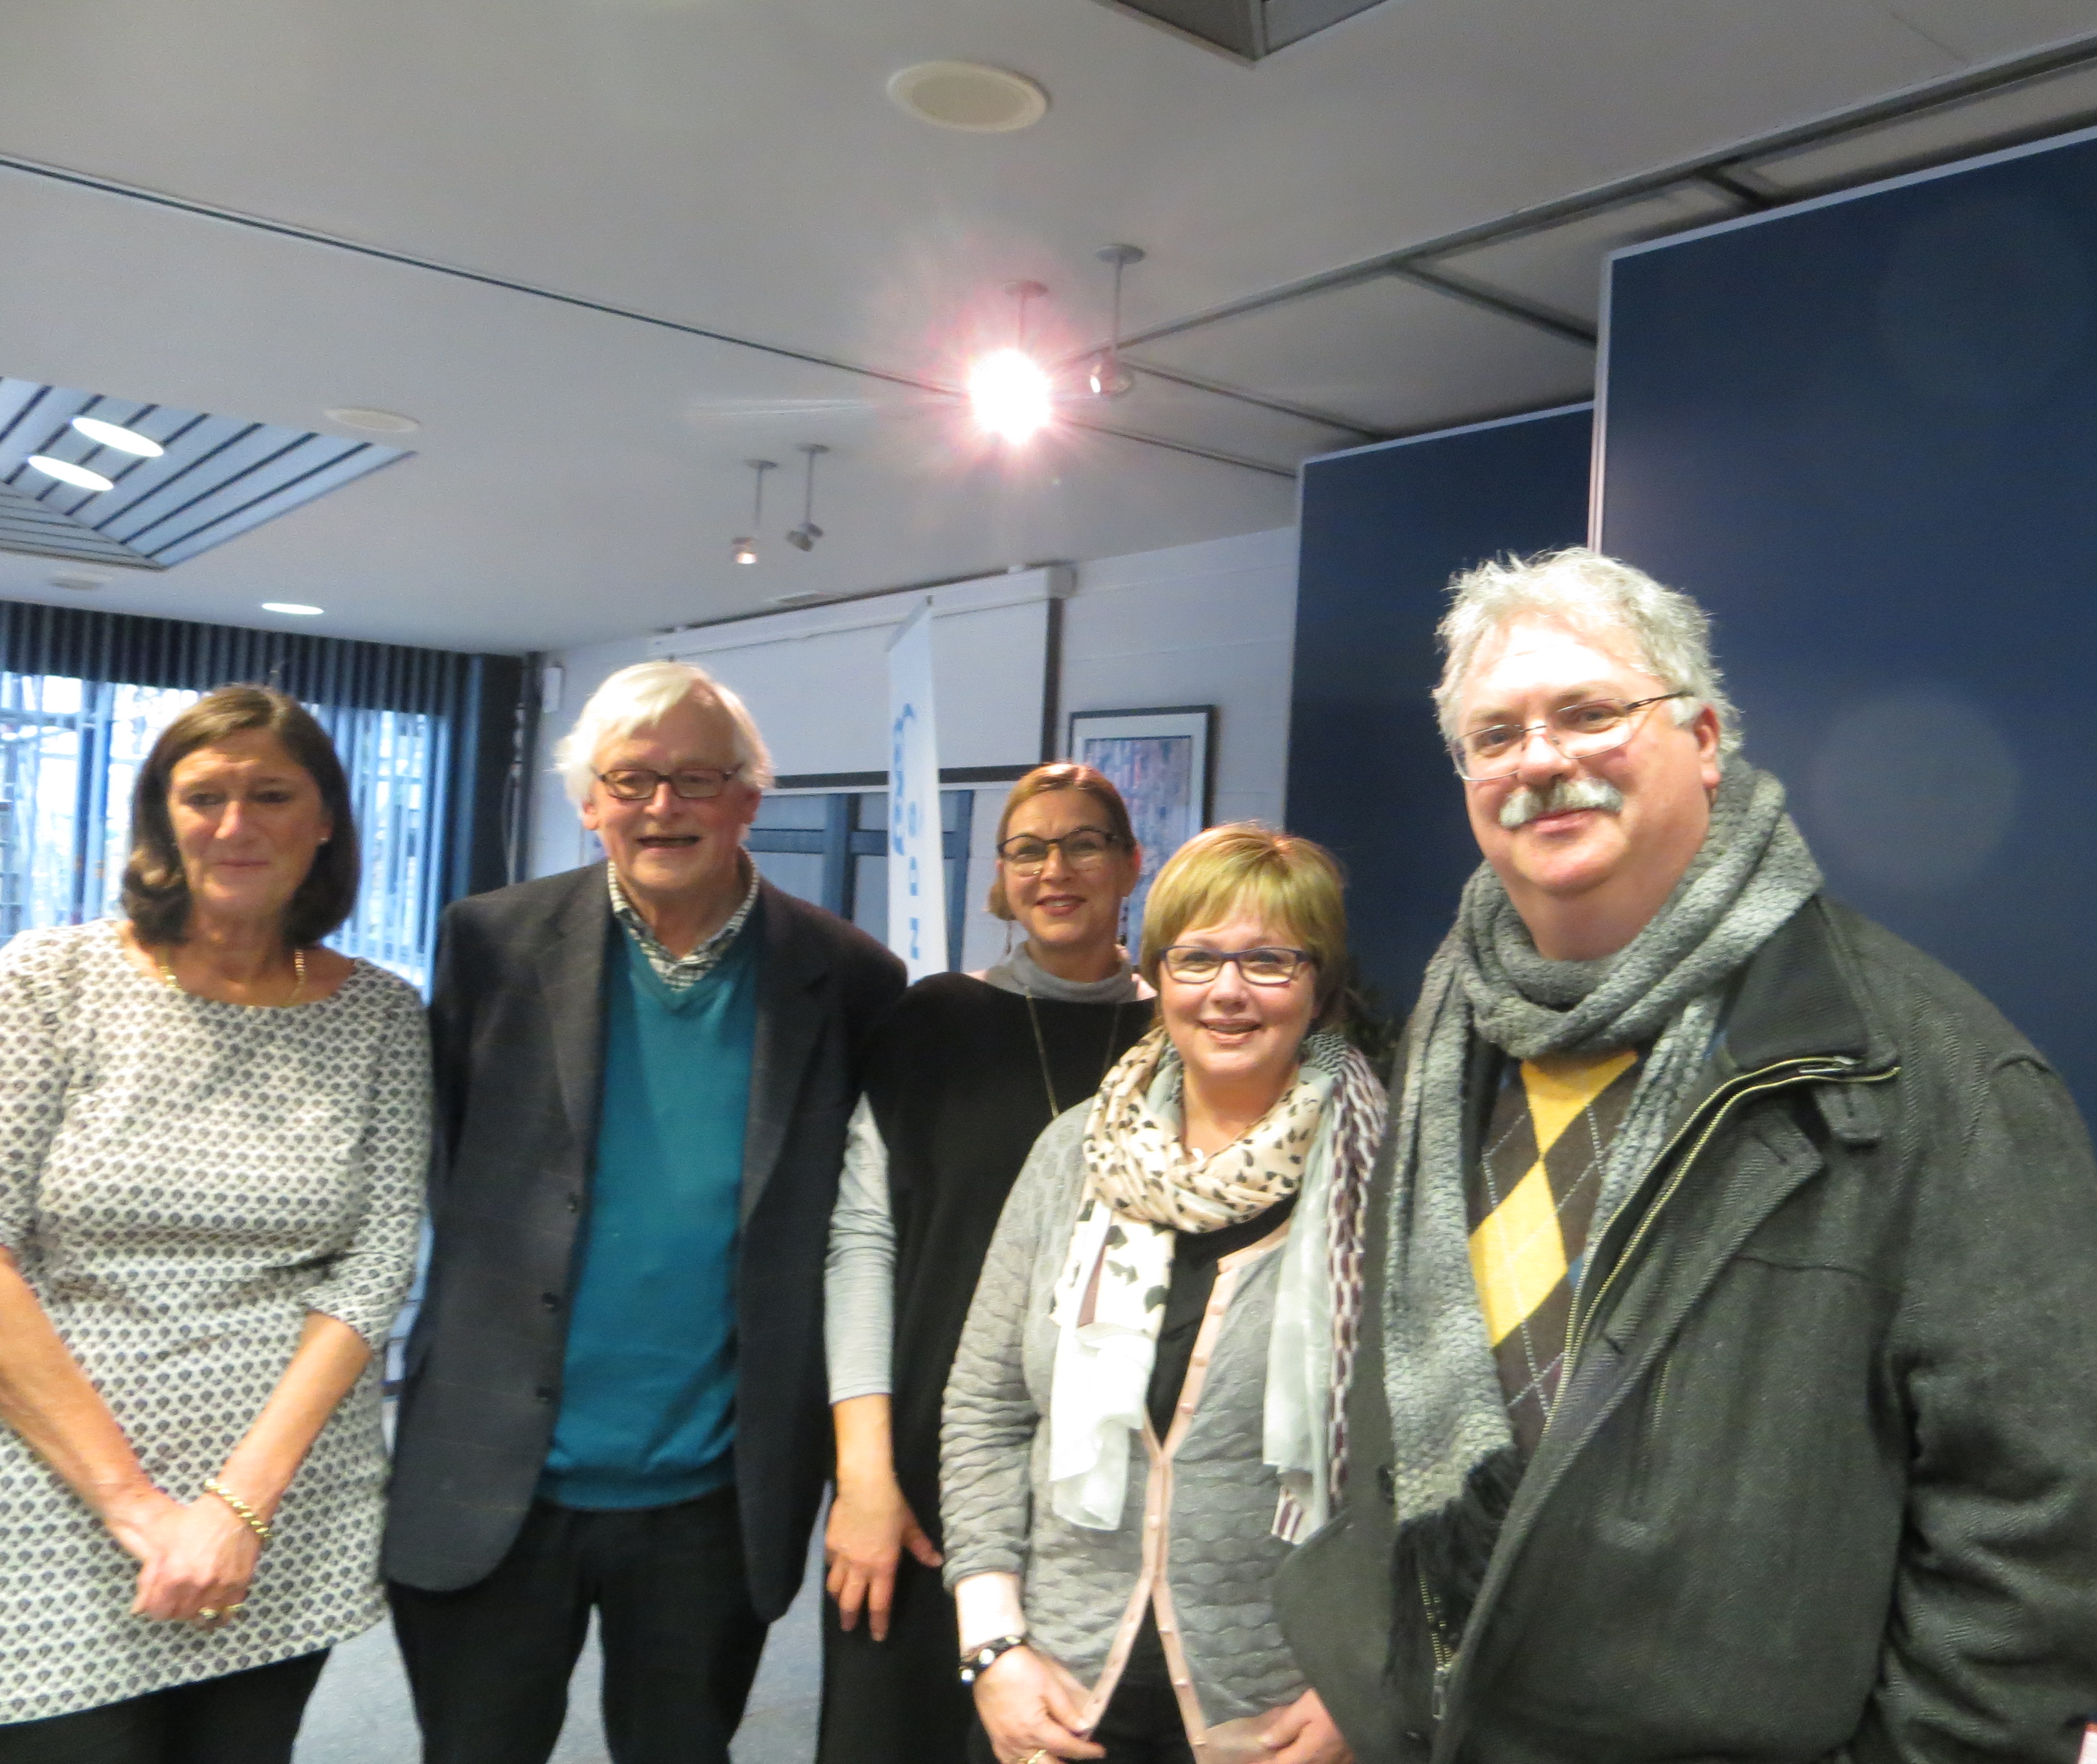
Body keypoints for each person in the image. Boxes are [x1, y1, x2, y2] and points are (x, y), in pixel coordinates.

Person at [1274, 547, 2097, 1763]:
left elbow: (2060, 1528)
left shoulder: (1921, 1074)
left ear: (1702, 738)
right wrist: (1367, 1665)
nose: (1539, 760)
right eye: (1495, 736)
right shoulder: (1450, 1026)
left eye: (1587, 713)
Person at [383, 661, 905, 1764]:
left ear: (749, 798)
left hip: (712, 1492)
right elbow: (444, 1167)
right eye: (630, 780)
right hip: (493, 1470)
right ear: (590, 802)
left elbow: (862, 1226)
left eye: (697, 778)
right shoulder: (490, 942)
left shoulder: (851, 977)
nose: (663, 806)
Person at [0, 686, 429, 1760]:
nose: (236, 826)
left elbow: (378, 1262)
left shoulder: (381, 1012)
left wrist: (237, 1507)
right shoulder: (49, 980)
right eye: (203, 798)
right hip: (55, 1486)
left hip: (287, 1497)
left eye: (271, 795)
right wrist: (136, 1506)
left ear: (324, 820)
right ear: (163, 817)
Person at [943, 824, 1383, 1764]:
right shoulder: (1071, 1155)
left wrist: (1366, 1679)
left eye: (1269, 960)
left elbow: (1428, 1456)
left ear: (1319, 984)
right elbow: (985, 1408)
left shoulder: (1384, 1176)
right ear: (1158, 974)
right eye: (1197, 958)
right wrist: (992, 1646)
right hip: (1055, 1691)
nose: (1228, 991)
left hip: (1281, 1707)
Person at [817, 764, 1158, 1764]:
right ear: (1000, 881)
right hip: (923, 1455)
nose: (1056, 870)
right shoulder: (930, 1023)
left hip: (1114, 1467)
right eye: (1028, 850)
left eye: (1084, 843)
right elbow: (862, 1244)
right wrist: (864, 1475)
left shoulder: (1183, 1032)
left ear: (1131, 863)